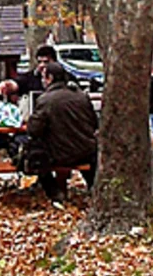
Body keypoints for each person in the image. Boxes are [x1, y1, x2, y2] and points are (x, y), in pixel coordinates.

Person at [22, 65, 99, 200]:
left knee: (34, 155)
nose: (42, 81)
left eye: (43, 77)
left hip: (60, 154)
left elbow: (33, 130)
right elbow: (94, 122)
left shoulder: (46, 100)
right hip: (87, 151)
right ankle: (94, 188)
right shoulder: (81, 96)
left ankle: (54, 192)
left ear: (50, 78)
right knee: (84, 151)